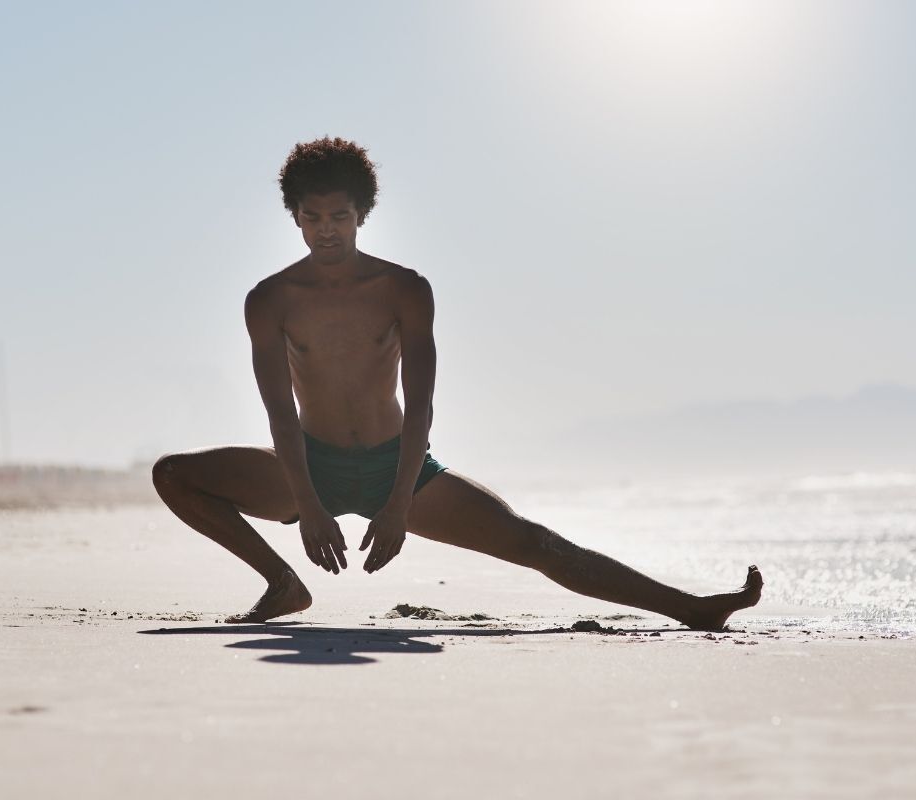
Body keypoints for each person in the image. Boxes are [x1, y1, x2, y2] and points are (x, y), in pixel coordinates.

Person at [152, 136, 762, 628]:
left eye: (340, 215)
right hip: (307, 461)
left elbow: (420, 403)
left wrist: (396, 507)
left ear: (362, 214)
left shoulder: (404, 289)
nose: (327, 230)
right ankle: (282, 584)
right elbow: (279, 414)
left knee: (535, 544)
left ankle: (694, 608)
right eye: (312, 218)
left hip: (401, 465)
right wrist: (308, 507)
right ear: (295, 218)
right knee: (174, 475)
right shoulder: (270, 299)